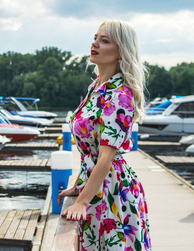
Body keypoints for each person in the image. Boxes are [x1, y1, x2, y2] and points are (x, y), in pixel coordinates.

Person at [57, 19, 151, 250]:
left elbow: (106, 158)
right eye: (95, 38)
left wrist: (81, 202)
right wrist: (80, 185)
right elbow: (90, 150)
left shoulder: (120, 95)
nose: (95, 44)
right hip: (96, 187)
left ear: (121, 51)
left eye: (105, 40)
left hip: (113, 192)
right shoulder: (96, 88)